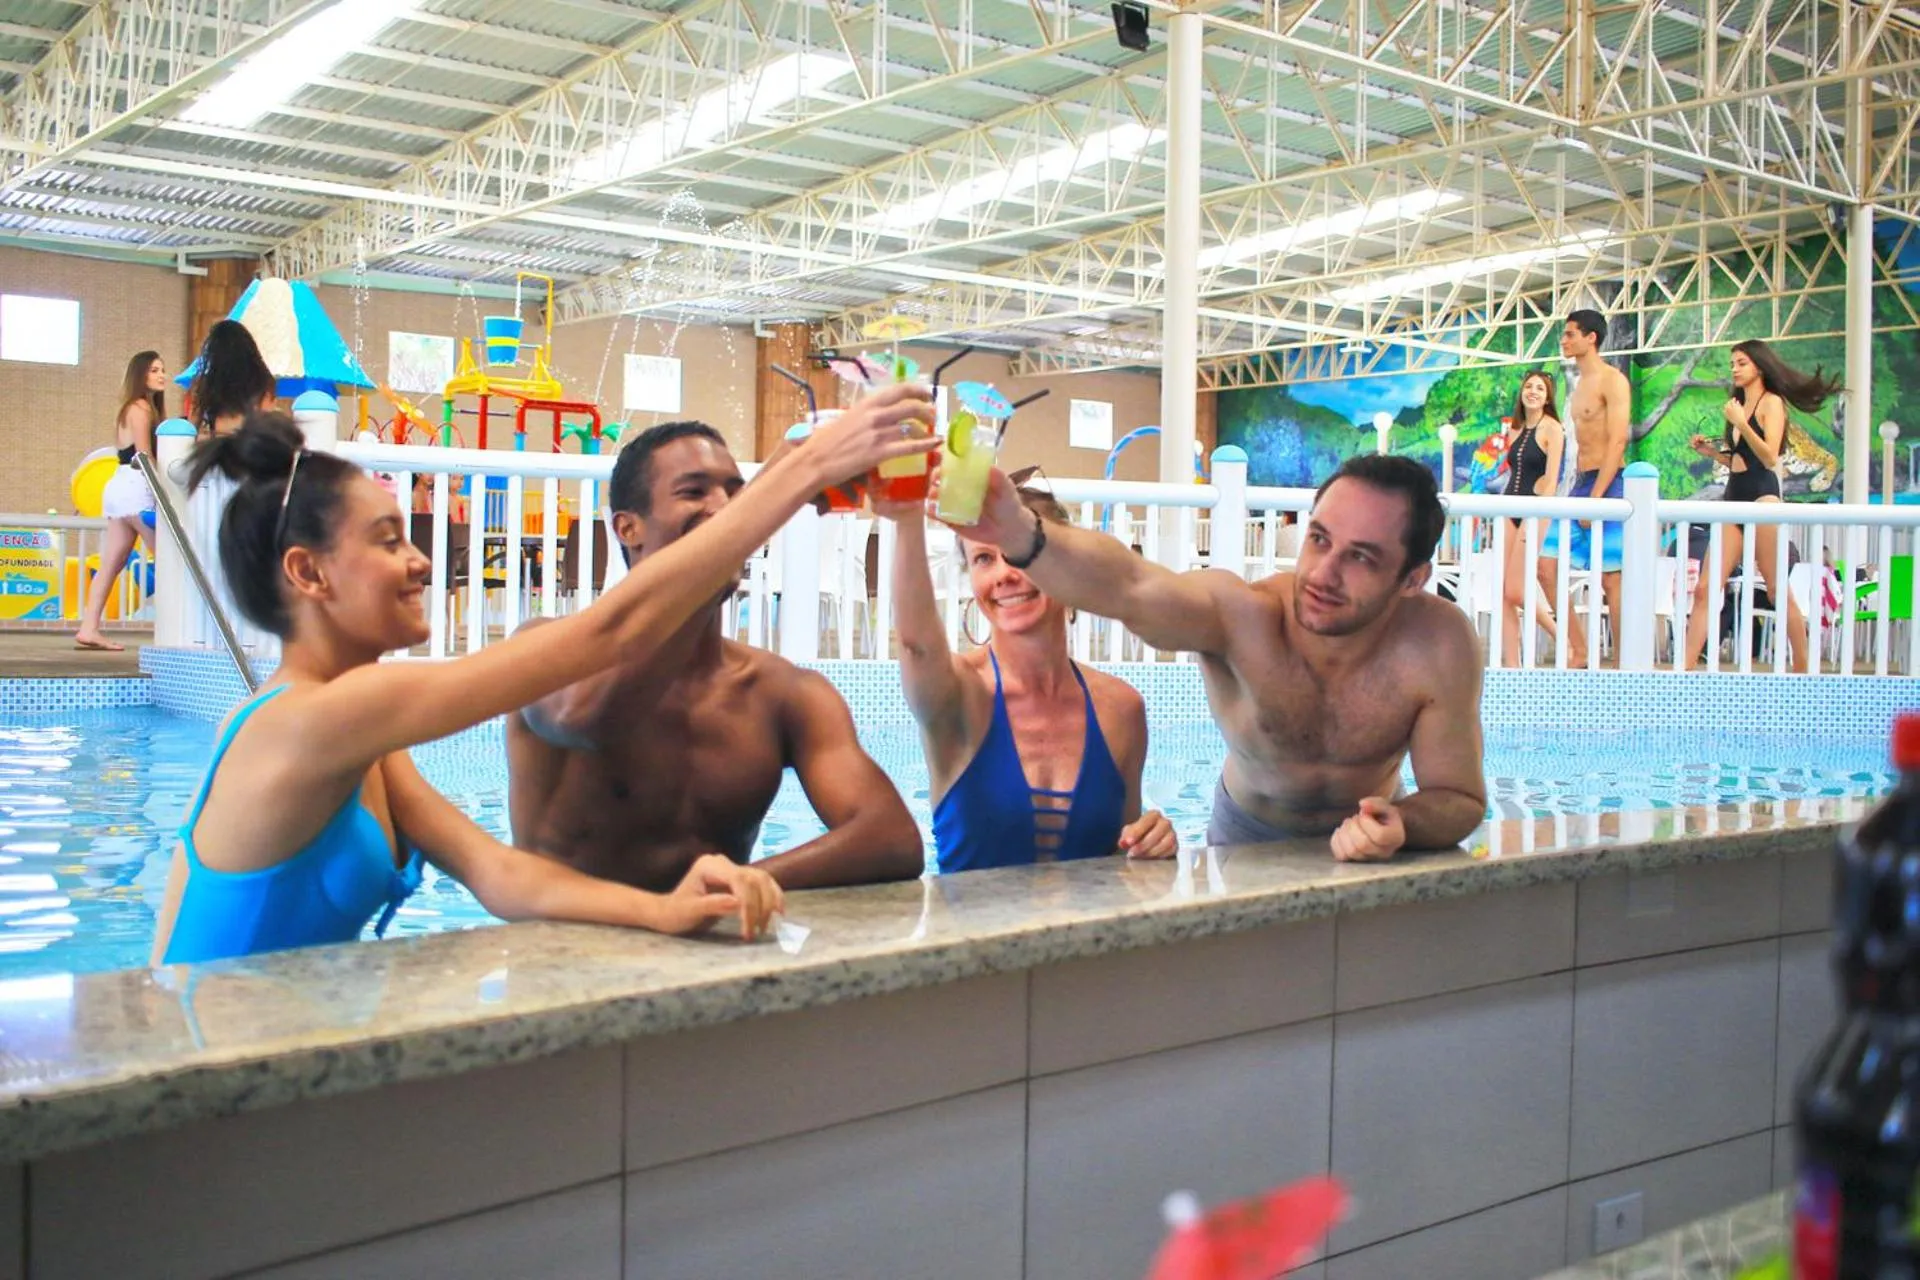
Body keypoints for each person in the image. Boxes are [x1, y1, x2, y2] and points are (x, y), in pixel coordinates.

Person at [149, 387, 934, 966]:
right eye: (390, 540)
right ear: (308, 574)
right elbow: (610, 633)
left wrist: (665, 913)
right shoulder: (311, 720)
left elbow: (499, 874)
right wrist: (801, 471)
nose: (421, 560)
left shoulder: (365, 739)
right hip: (192, 1063)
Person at [942, 454, 1486, 862]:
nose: (1323, 574)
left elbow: (1459, 797)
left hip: (1370, 838)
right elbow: (1128, 586)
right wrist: (1017, 532)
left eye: (1361, 558)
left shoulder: (1437, 644)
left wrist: (1401, 824)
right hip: (1245, 838)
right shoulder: (1243, 618)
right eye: (1318, 539)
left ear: (1413, 579)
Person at [506, 421, 924, 893]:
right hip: (565, 957)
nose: (724, 509)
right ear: (629, 528)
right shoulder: (544, 649)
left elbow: (892, 839)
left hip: (712, 954)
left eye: (735, 493)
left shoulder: (782, 693)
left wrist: (732, 885)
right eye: (693, 492)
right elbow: (586, 718)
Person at [874, 470, 1176, 873]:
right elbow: (917, 646)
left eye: (1016, 551)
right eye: (984, 558)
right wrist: (907, 518)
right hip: (974, 936)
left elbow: (1121, 859)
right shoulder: (960, 697)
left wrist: (1151, 841)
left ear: (1064, 563)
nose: (1004, 574)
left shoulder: (1121, 709)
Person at [1682, 339, 1839, 672]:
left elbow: (1769, 456)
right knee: (1706, 587)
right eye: (1732, 363)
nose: (1734, 369)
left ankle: (1803, 665)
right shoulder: (1737, 403)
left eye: (1741, 363)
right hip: (1734, 495)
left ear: (1759, 366)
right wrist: (1711, 454)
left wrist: (1740, 423)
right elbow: (1741, 459)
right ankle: (1685, 665)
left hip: (1762, 496)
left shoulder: (1771, 403)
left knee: (1774, 588)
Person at [1540, 310, 1630, 667]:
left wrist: (1597, 498)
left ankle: (1625, 663)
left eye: (1570, 334)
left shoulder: (1614, 380)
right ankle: (1580, 648)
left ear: (1591, 338)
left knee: (1611, 579)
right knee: (1546, 567)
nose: (1564, 340)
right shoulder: (1577, 387)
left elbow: (1618, 440)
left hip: (1608, 484)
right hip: (1581, 485)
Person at [75, 351, 166, 652]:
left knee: (112, 563)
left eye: (162, 370)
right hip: (135, 486)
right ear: (141, 374)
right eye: (154, 370)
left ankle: (88, 628)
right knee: (169, 558)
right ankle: (174, 630)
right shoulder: (140, 408)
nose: (161, 375)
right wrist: (165, 489)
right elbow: (144, 456)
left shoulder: (133, 408)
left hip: (120, 487)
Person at [1498, 370, 1565, 663]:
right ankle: (1511, 667)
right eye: (1529, 386)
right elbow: (1512, 473)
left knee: (1515, 589)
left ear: (1548, 396)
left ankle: (1564, 637)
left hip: (1536, 509)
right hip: (1508, 508)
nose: (1533, 391)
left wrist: (1538, 512)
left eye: (1540, 388)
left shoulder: (1553, 429)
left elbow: (1552, 480)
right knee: (1502, 594)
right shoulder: (1515, 428)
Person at [188, 319, 276, 437]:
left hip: (217, 448)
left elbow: (192, 429)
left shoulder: (206, 387)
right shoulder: (262, 385)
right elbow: (268, 424)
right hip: (252, 448)